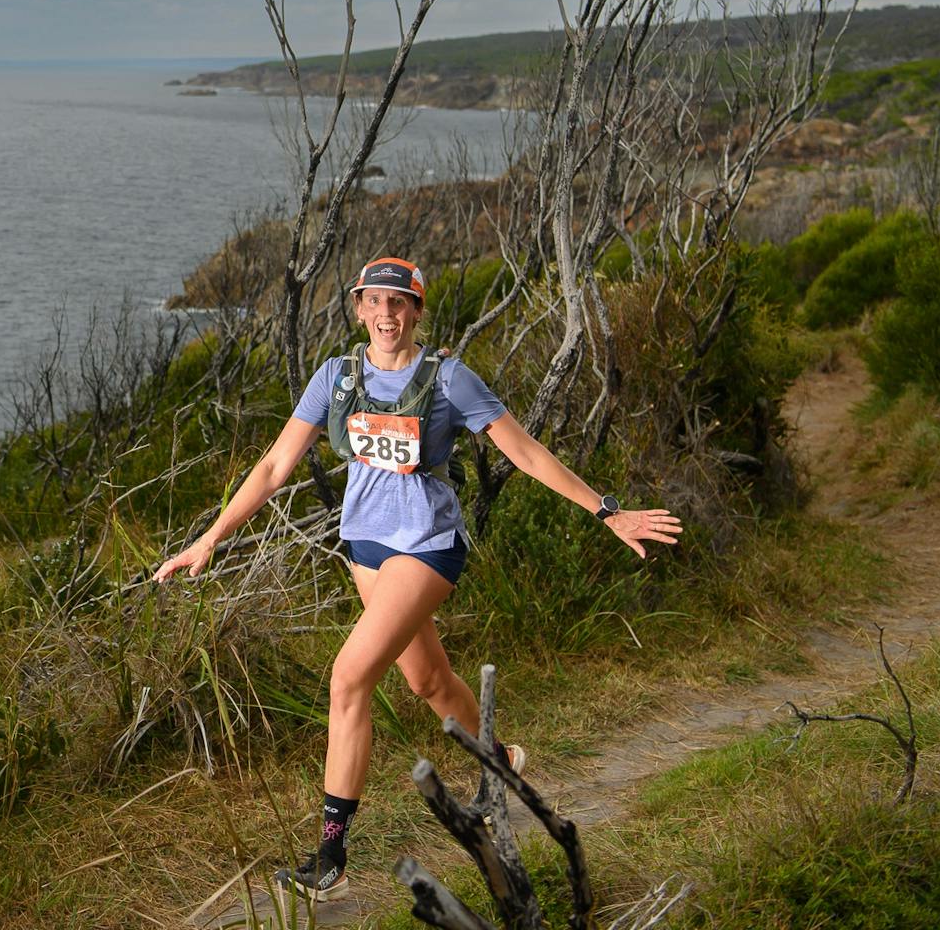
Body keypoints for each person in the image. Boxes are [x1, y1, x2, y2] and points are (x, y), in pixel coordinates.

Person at [153, 256, 682, 902]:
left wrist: (606, 510)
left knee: (349, 677)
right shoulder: (336, 378)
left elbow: (524, 450)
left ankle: (330, 860)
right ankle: (502, 762)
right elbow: (272, 468)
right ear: (357, 308)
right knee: (426, 680)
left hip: (428, 547)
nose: (385, 315)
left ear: (417, 312)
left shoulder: (449, 380)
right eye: (374, 302)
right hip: (366, 549)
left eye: (399, 304)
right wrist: (208, 540)